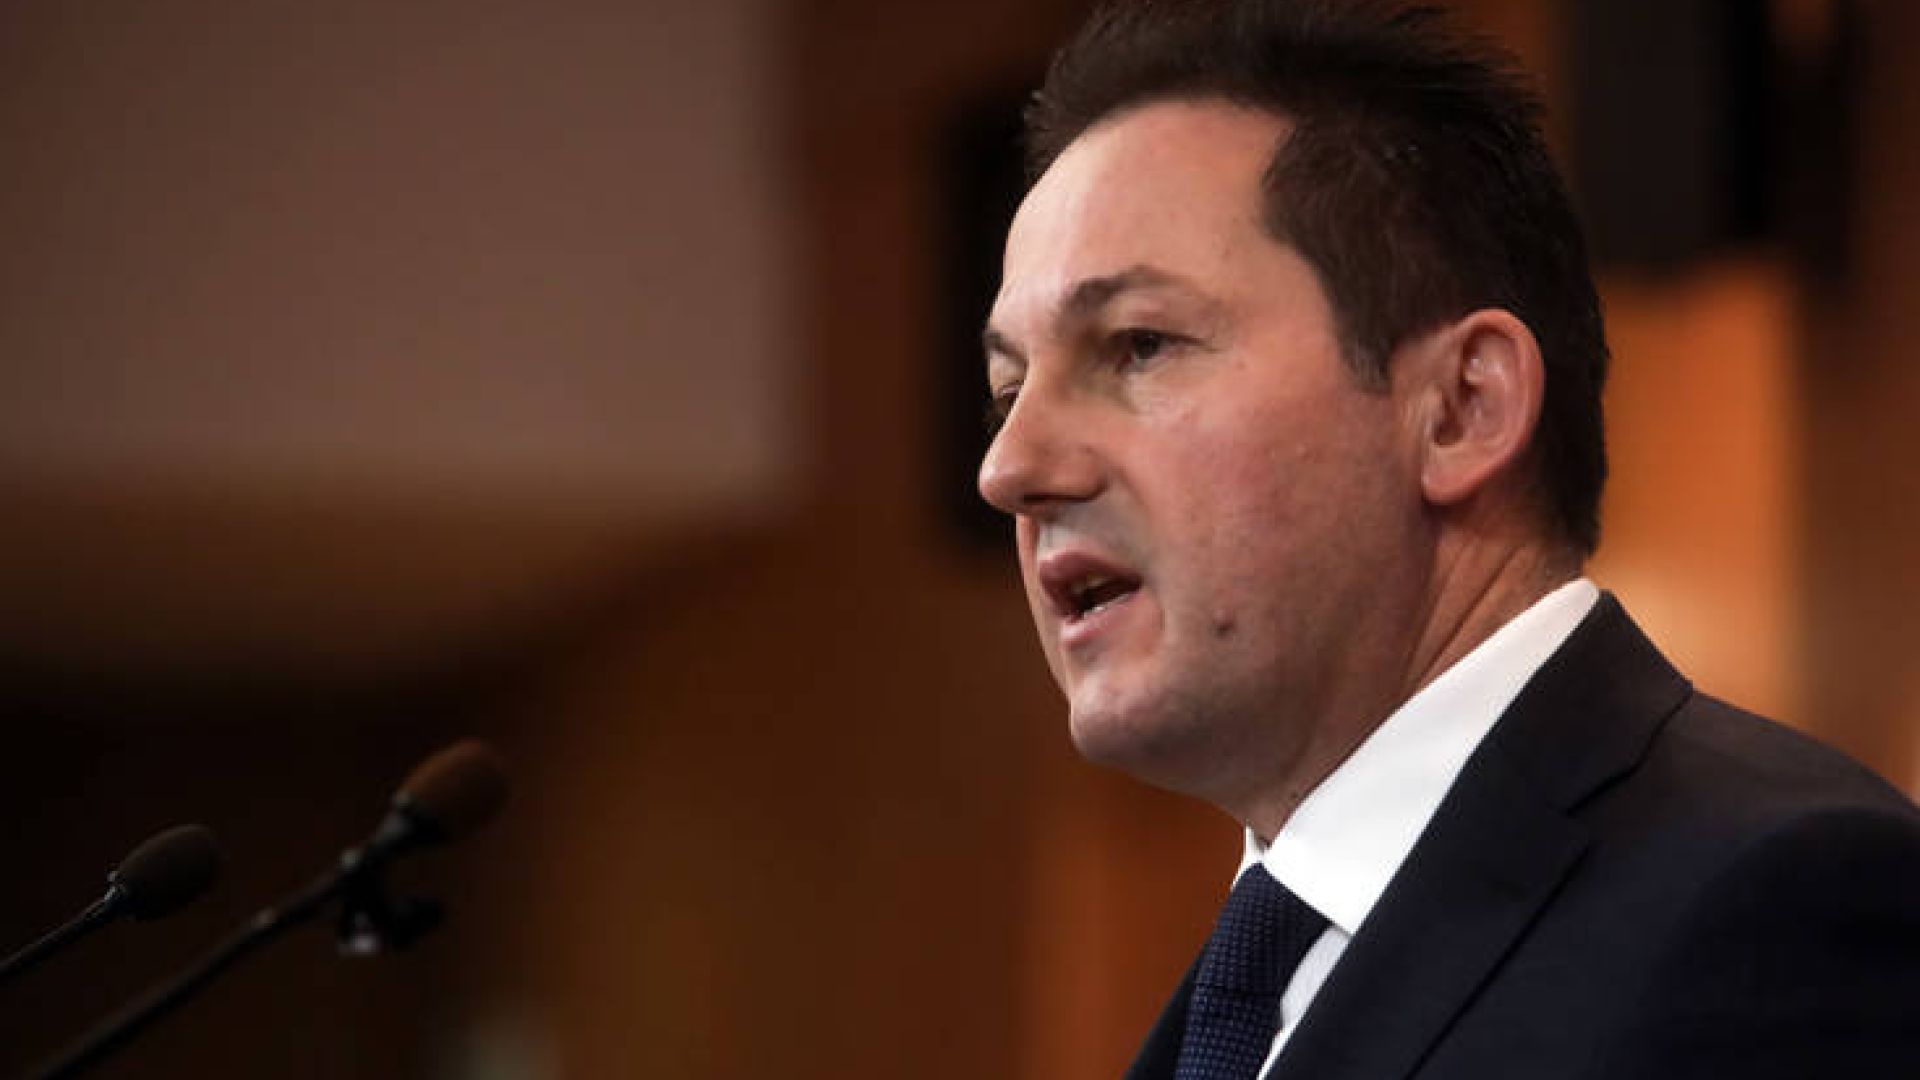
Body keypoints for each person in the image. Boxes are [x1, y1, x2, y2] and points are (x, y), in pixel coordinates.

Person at [973, 2, 1920, 1078]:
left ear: (1462, 408)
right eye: (1007, 392)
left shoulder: (1779, 912)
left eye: (1139, 345)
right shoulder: (1249, 992)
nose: (1009, 468)